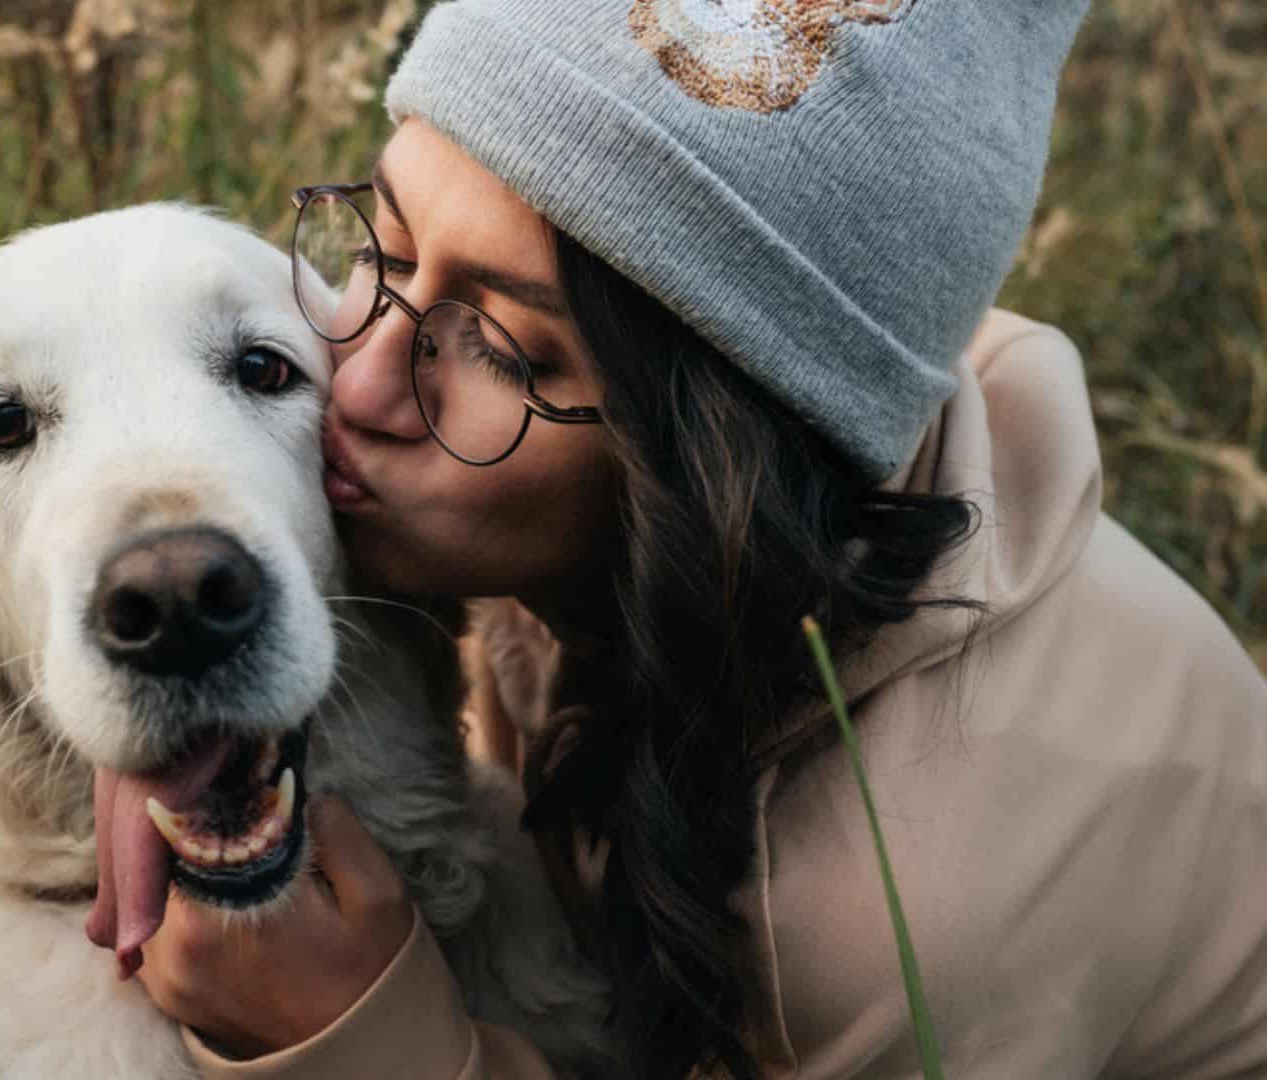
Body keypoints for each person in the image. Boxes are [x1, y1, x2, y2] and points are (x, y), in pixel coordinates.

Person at [117, 1, 1267, 1076]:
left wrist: (364, 1039)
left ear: (711, 470)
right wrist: (187, 761)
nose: (358, 384)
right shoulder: (568, 532)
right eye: (389, 244)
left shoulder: (901, 905)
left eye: (506, 353)